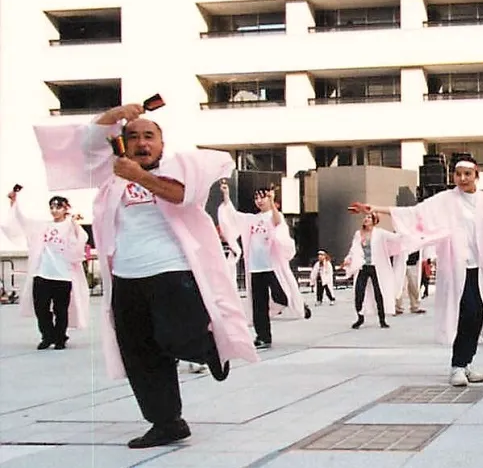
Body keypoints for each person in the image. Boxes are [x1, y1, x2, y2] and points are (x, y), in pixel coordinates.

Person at [33, 102, 257, 448]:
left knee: (175, 335)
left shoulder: (179, 166)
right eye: (134, 136)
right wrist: (116, 114)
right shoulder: (112, 172)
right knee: (139, 352)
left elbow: (182, 196)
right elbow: (86, 142)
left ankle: (208, 348)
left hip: (172, 270)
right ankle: (167, 422)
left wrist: (139, 176)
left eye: (149, 136)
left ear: (162, 143)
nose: (142, 143)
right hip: (126, 275)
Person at [351, 155, 483, 386]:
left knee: (478, 315)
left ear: (476, 175)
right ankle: (457, 366)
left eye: (467, 174)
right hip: (458, 267)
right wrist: (375, 208)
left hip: (481, 267)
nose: (462, 178)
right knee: (466, 313)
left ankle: (466, 363)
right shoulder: (446, 199)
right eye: (458, 174)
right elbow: (414, 212)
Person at [218, 183, 310, 349]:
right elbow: (232, 216)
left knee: (281, 295)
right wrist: (226, 195)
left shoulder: (274, 215)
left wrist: (273, 203)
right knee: (258, 303)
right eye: (256, 198)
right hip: (255, 267)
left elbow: (278, 223)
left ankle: (297, 303)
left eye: (263, 197)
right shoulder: (251, 219)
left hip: (272, 266)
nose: (259, 201)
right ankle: (263, 336)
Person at [3, 190, 88, 349]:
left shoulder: (70, 226)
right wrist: (14, 202)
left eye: (58, 207)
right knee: (41, 308)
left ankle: (60, 337)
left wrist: (75, 223)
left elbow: (81, 239)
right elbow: (23, 222)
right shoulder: (43, 226)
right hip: (42, 273)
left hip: (63, 275)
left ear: (65, 208)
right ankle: (47, 336)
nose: (54, 210)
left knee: (60, 310)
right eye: (52, 207)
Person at [343, 212, 404, 329]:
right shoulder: (358, 234)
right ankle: (360, 317)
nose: (366, 219)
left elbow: (396, 238)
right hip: (363, 266)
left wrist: (403, 228)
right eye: (365, 217)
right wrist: (348, 259)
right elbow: (353, 249)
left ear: (374, 221)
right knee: (359, 292)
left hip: (376, 267)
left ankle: (382, 319)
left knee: (379, 293)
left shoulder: (380, 233)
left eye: (369, 217)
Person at [397, 250, 426, 314]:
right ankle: (397, 307)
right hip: (400, 260)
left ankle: (415, 306)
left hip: (412, 260)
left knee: (414, 284)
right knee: (399, 284)